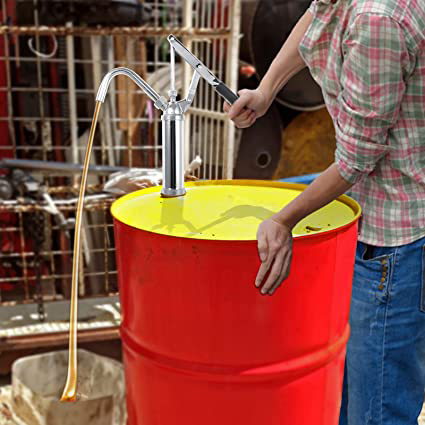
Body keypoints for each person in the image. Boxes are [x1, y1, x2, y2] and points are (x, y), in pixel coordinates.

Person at [224, 0, 425, 423]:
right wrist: (266, 90)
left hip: (399, 242)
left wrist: (283, 221)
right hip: (373, 215)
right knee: (352, 399)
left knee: (377, 411)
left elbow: (357, 158)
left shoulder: (377, 20)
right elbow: (317, 16)